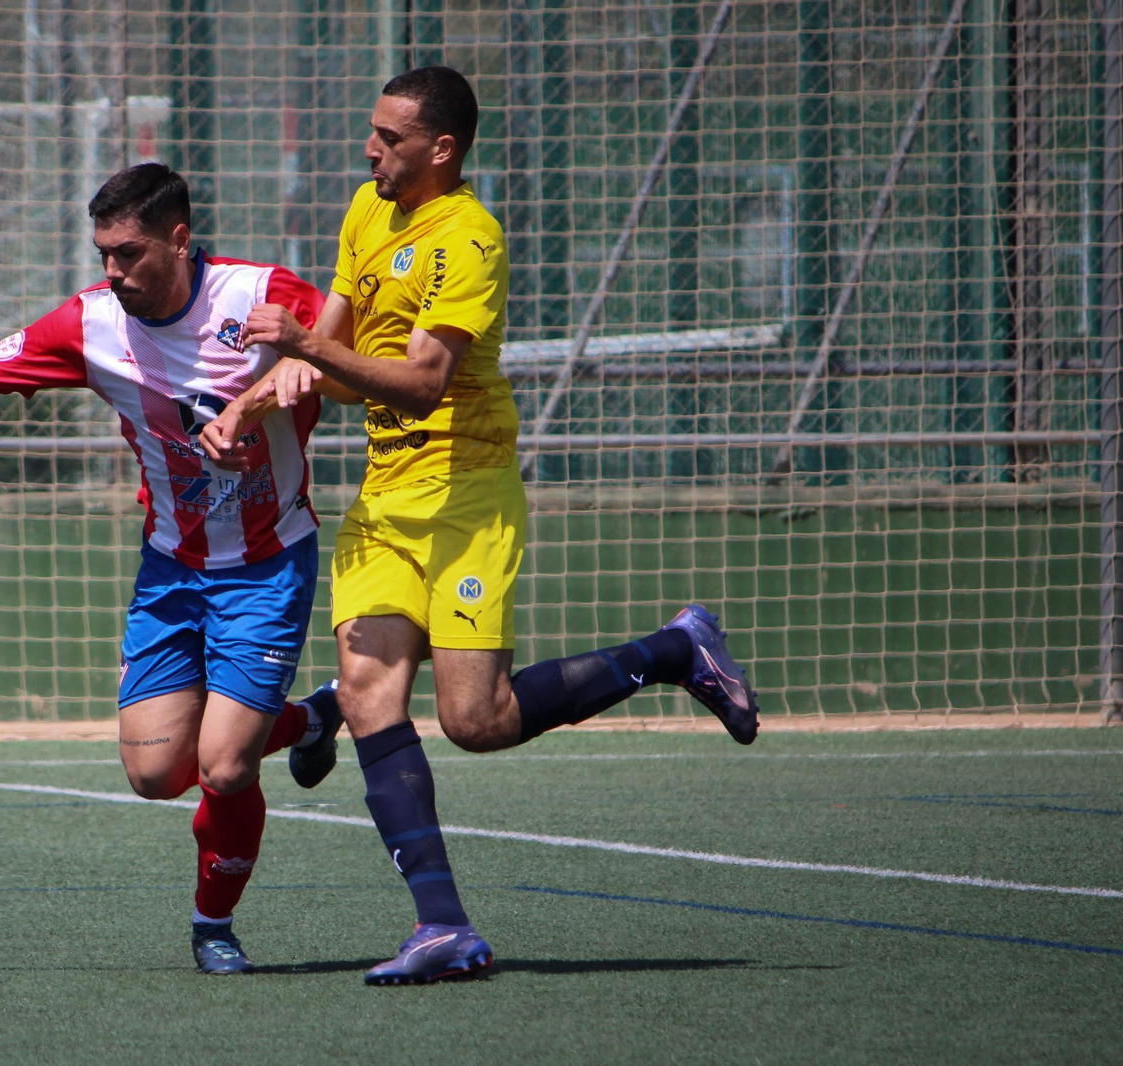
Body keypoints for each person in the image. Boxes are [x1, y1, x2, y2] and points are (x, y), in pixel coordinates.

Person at [201, 66, 760, 985]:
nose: (371, 149)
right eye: (373, 132)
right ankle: (443, 928)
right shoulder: (364, 213)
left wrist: (304, 349)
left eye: (389, 138)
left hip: (467, 494)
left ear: (442, 149)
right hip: (385, 498)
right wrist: (256, 402)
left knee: (477, 721)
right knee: (373, 693)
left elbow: (420, 379)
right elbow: (335, 356)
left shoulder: (471, 239)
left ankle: (672, 649)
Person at [0, 163, 348, 975]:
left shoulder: (262, 295)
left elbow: (361, 359)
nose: (112, 271)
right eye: (103, 254)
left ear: (179, 240)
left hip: (267, 563)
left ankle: (211, 924)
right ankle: (312, 719)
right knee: (157, 773)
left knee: (224, 765)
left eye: (128, 253)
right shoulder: (88, 325)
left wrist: (301, 370)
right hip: (170, 568)